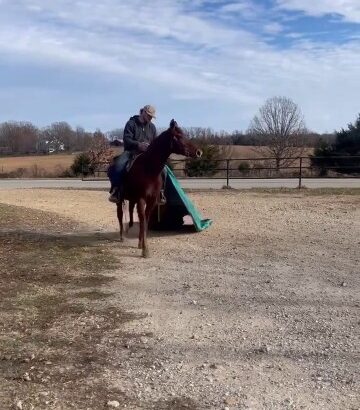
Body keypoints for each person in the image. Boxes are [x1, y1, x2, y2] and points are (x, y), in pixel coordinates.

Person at [108, 105, 157, 203]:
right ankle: (116, 191)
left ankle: (161, 192)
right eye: (149, 115)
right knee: (119, 165)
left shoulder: (152, 127)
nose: (150, 118)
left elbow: (155, 142)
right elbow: (126, 139)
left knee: (163, 168)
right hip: (131, 152)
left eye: (151, 117)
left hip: (148, 154)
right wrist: (139, 145)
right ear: (143, 112)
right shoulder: (131, 123)